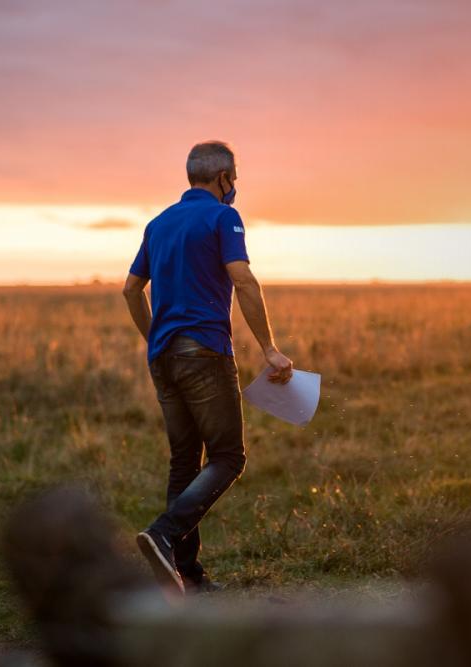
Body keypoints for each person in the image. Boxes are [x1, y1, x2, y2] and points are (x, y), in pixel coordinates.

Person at [122, 140, 293, 595]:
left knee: (184, 462)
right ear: (223, 179)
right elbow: (243, 279)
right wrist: (270, 349)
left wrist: (155, 338)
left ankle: (187, 576)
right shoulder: (224, 217)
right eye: (233, 178)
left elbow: (130, 290)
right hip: (205, 353)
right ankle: (162, 532)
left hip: (163, 357)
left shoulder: (158, 224)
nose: (234, 187)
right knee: (228, 457)